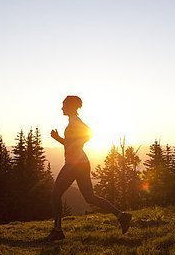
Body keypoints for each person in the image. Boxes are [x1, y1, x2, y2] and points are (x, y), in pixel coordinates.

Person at [47, 95, 132, 241]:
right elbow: (71, 143)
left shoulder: (75, 122)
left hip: (74, 164)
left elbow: (88, 134)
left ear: (71, 106)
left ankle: (57, 231)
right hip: (81, 163)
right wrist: (62, 139)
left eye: (64, 105)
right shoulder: (73, 122)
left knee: (55, 194)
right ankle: (121, 216)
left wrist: (77, 144)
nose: (61, 108)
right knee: (90, 197)